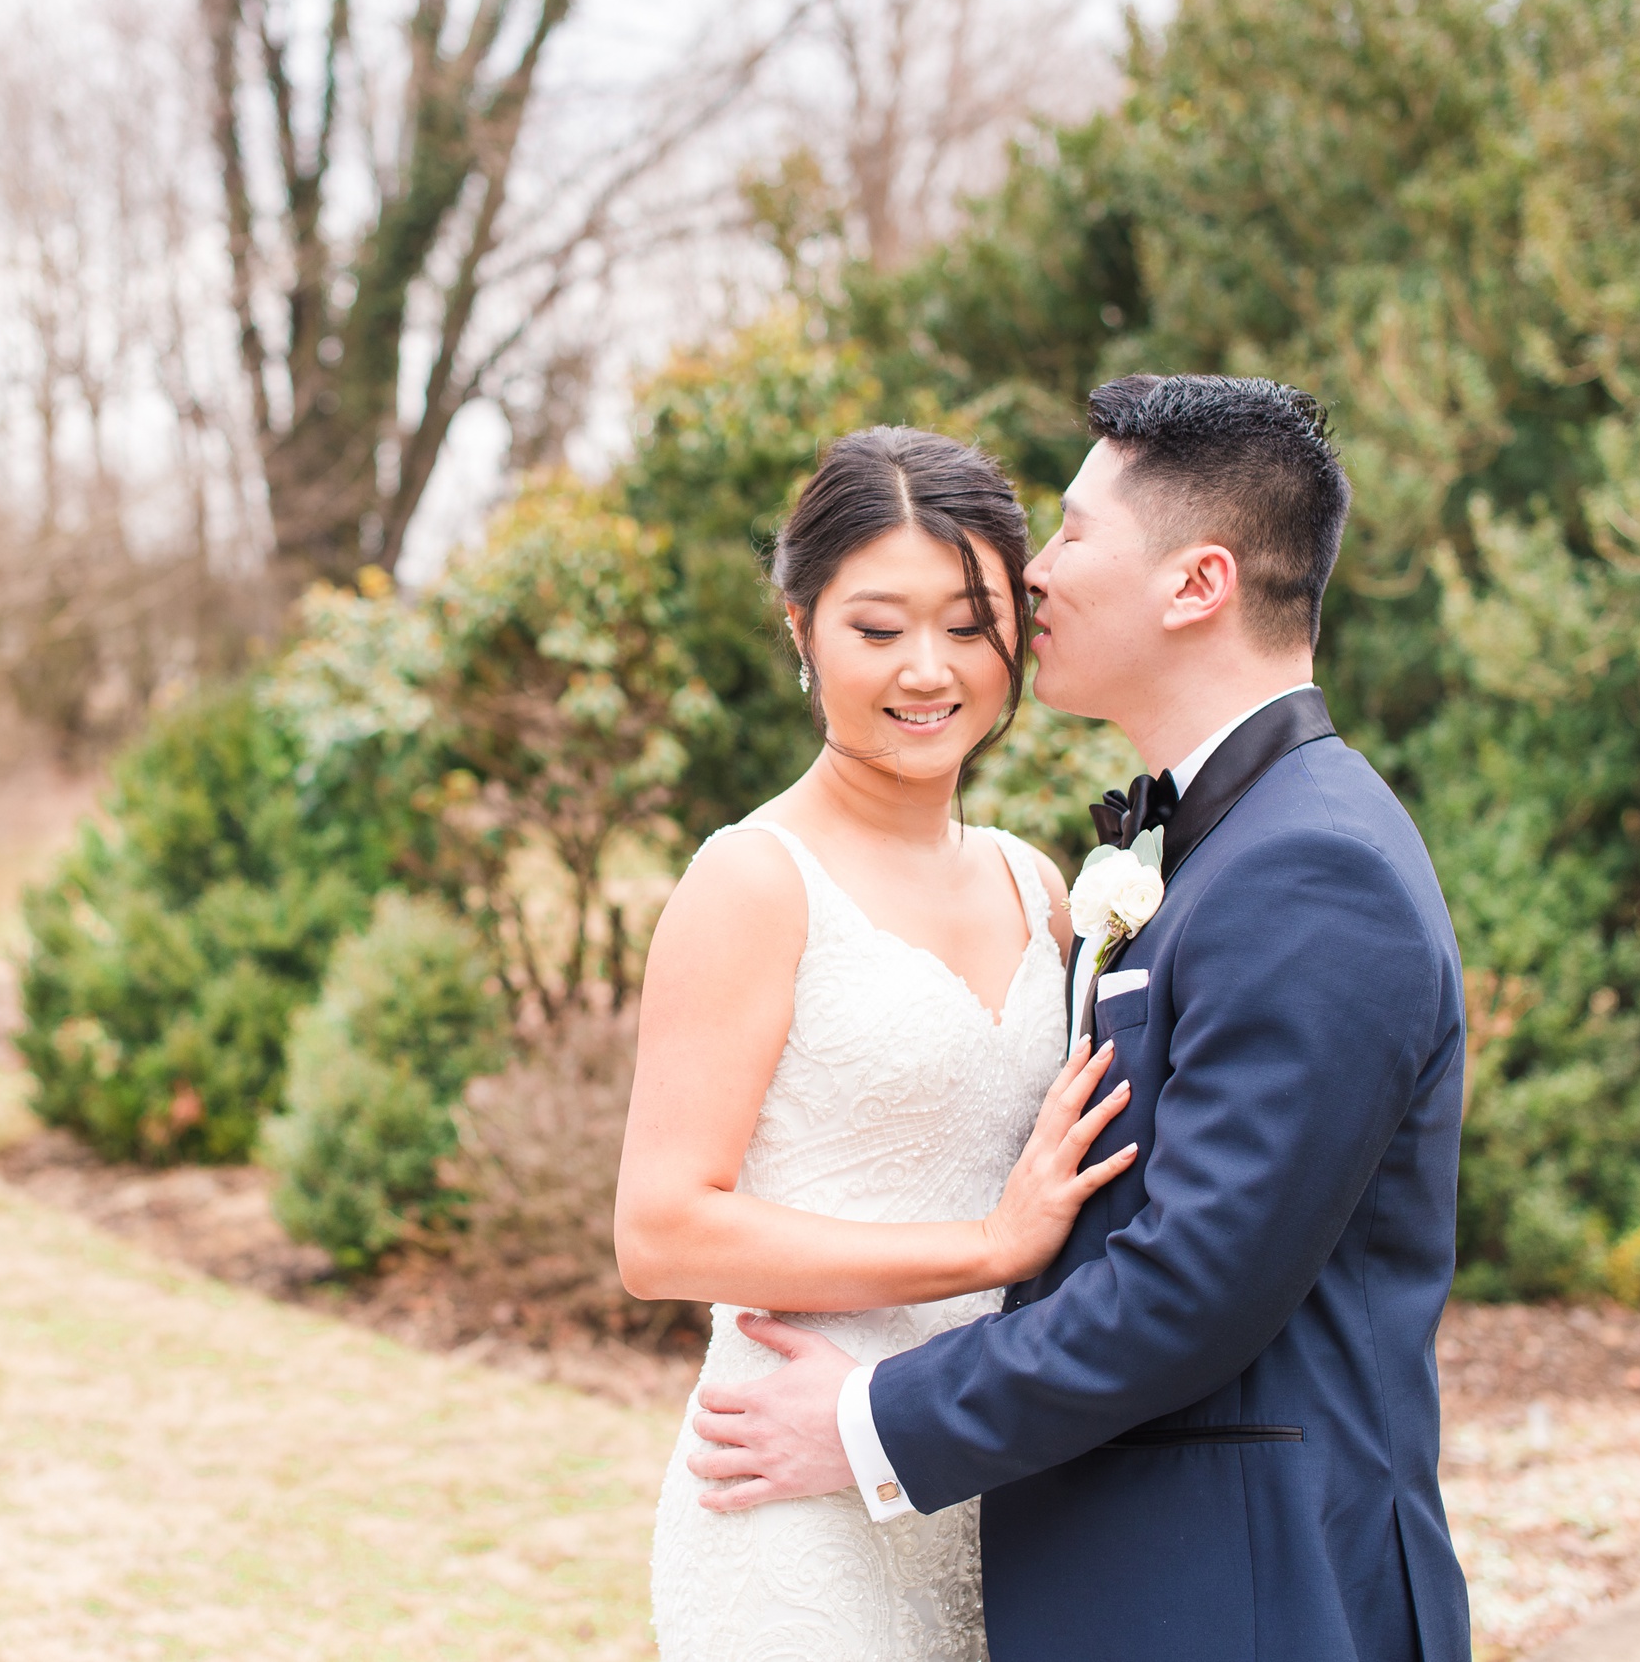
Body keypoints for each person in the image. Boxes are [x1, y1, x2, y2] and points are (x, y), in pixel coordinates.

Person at [678, 374, 1475, 1662]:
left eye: (1073, 531)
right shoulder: (1214, 845)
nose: (1031, 574)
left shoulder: (1310, 866)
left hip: (1250, 1593)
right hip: (1111, 1573)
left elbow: (1194, 1286)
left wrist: (872, 1419)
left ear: (1195, 584)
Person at [618, 426, 1142, 1661]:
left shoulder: (1038, 884)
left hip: (988, 1479)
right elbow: (660, 1231)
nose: (928, 669)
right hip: (791, 1495)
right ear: (798, 625)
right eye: (876, 627)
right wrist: (986, 1245)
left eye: (969, 624)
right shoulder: (752, 882)